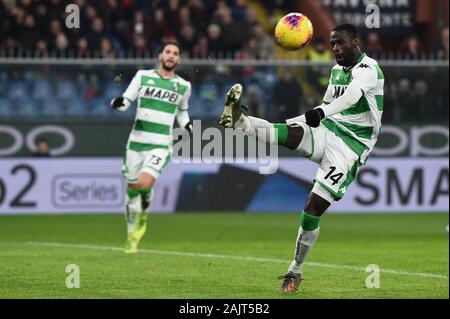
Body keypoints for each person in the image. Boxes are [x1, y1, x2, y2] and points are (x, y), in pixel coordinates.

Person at [219, 24, 384, 294]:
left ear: (355, 42)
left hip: (352, 147)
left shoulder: (368, 70)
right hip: (331, 130)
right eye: (332, 44)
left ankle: (295, 269)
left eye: (340, 43)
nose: (335, 49)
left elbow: (351, 97)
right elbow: (330, 106)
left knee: (313, 207)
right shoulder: (336, 72)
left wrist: (320, 111)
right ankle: (241, 122)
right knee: (288, 133)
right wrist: (312, 116)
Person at [111, 41, 193, 253]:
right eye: (168, 51)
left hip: (160, 144)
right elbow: (126, 100)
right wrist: (118, 104)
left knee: (143, 184)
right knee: (131, 190)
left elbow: (182, 112)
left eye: (176, 53)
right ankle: (132, 233)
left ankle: (145, 205)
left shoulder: (184, 86)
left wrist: (187, 125)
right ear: (160, 55)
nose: (171, 56)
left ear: (178, 59)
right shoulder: (142, 76)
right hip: (136, 143)